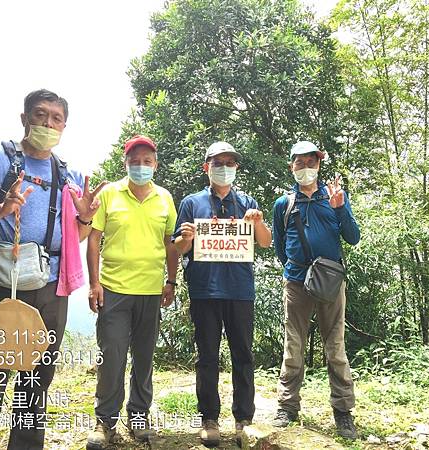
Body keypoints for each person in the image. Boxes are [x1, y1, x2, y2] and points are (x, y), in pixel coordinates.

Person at [0, 89, 105, 450]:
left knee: (38, 380)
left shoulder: (70, 176)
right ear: (24, 118)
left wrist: (84, 217)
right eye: (40, 115)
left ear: (65, 126)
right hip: (1, 283)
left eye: (56, 119)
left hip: (52, 286)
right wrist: (1, 210)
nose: (47, 124)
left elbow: (77, 237)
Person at [173, 141, 272, 447]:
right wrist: (186, 238)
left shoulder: (248, 203)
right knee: (207, 356)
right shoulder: (191, 203)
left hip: (240, 290)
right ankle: (209, 419)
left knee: (243, 354)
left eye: (230, 163)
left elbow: (266, 243)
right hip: (204, 290)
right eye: (218, 163)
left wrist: (259, 223)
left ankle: (244, 420)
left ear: (236, 169)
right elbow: (178, 247)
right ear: (207, 167)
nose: (224, 168)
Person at [85, 135, 179, 449]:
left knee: (143, 357)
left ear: (156, 164)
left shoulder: (165, 198)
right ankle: (105, 422)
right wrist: (94, 283)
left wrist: (171, 281)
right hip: (113, 289)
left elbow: (170, 244)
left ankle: (139, 417)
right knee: (111, 355)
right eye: (134, 161)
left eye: (147, 161)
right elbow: (94, 239)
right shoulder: (110, 194)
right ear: (125, 163)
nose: (141, 166)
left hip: (151, 291)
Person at [271, 140, 360, 439]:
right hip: (296, 281)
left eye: (312, 162)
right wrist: (295, 268)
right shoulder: (283, 203)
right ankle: (287, 407)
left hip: (331, 281)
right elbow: (280, 246)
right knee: (293, 346)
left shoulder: (334, 197)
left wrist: (341, 209)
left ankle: (343, 413)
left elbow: (353, 237)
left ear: (319, 165)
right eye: (301, 162)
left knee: (335, 346)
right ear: (291, 166)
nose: (306, 168)